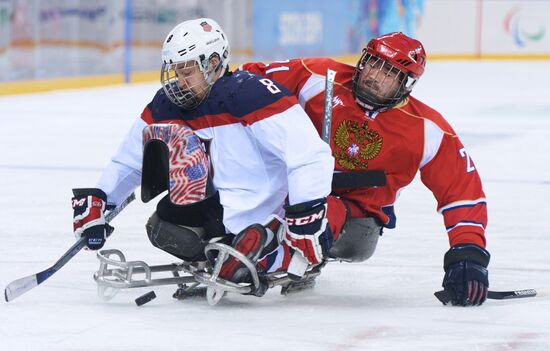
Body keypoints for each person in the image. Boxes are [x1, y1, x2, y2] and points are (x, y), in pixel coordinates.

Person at [71, 18, 335, 290]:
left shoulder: (253, 94)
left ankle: (271, 246)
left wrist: (305, 213)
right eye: (175, 72)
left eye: (187, 72)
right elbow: (130, 161)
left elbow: (308, 155)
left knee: (263, 235)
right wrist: (101, 200)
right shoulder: (169, 103)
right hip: (221, 204)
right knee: (163, 224)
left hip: (269, 205)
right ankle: (229, 257)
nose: (179, 83)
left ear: (212, 64)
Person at [240, 32, 490, 306]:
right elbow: (247, 80)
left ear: (405, 84)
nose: (375, 75)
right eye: (373, 63)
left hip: (355, 219)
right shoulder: (318, 75)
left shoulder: (427, 129)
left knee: (326, 212)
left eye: (389, 72)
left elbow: (462, 192)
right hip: (289, 188)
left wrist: (468, 253)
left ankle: (259, 260)